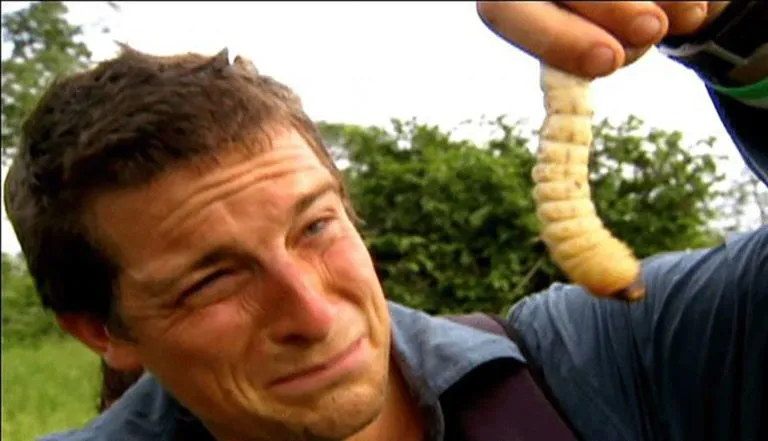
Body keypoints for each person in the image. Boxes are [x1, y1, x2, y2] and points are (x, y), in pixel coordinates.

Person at [3, 1, 765, 440]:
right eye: (211, 280)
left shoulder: (610, 364)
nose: (311, 311)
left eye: (314, 227)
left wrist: (741, 31)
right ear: (101, 329)